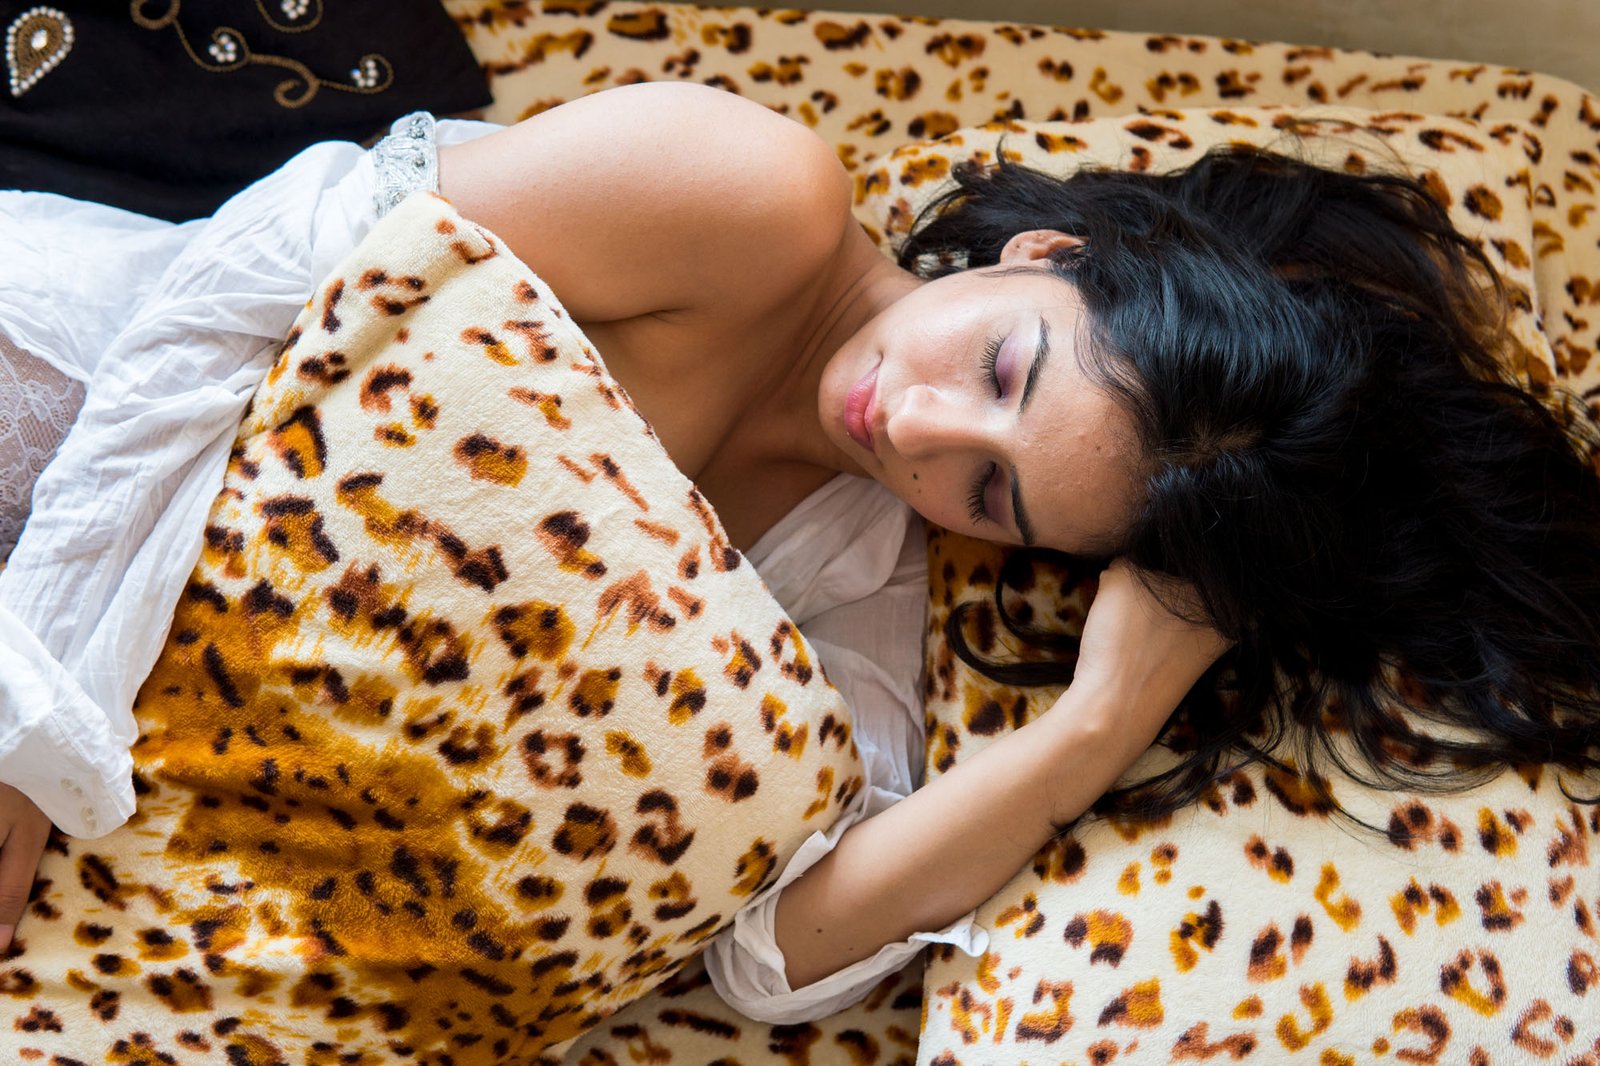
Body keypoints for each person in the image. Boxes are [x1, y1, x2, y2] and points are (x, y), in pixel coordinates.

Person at [1, 80, 1598, 1025]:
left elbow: (764, 951)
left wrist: (1096, 725)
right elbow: (249, 282)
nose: (913, 426)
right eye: (1000, 364)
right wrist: (29, 730)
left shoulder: (855, 564)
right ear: (1048, 253)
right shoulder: (750, 197)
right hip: (59, 394)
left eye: (992, 494)